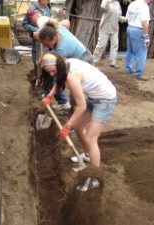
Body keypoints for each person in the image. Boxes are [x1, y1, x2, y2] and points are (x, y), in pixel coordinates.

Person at [40, 52, 117, 191]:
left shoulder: (72, 76)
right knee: (79, 127)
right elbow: (58, 80)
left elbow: (81, 106)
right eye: (49, 72)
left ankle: (94, 178)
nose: (51, 74)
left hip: (105, 99)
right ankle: (88, 155)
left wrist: (68, 125)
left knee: (91, 138)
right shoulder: (64, 65)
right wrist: (49, 96)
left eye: (53, 71)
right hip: (95, 97)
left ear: (58, 66)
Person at [38, 21, 94, 110]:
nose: (45, 46)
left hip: (85, 59)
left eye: (46, 44)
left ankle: (72, 109)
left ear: (54, 38)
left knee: (75, 89)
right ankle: (69, 105)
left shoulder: (61, 49)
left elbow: (61, 75)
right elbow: (67, 22)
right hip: (82, 55)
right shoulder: (56, 29)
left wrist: (49, 96)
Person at [92, 0, 127, 68]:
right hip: (105, 28)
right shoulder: (106, 2)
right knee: (101, 45)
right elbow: (102, 7)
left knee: (115, 45)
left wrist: (126, 19)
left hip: (114, 28)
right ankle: (93, 62)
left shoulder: (117, 4)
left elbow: (118, 17)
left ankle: (112, 62)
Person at [124, 0, 151, 81]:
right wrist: (146, 36)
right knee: (141, 52)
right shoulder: (144, 6)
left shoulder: (132, 4)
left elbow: (127, 18)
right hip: (138, 30)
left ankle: (128, 68)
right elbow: (144, 22)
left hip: (130, 28)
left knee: (130, 50)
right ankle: (138, 73)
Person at [22, 0, 51, 75]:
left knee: (45, 55)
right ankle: (36, 74)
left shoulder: (47, 8)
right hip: (37, 37)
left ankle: (43, 75)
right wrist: (36, 30)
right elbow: (25, 23)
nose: (48, 1)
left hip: (46, 37)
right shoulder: (32, 8)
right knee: (37, 55)